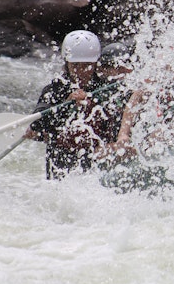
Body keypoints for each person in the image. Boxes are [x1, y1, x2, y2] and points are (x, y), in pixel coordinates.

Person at [28, 31, 134, 179]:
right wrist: (68, 103)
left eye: (87, 66)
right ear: (66, 63)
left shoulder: (108, 88)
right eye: (75, 65)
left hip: (99, 164)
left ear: (96, 64)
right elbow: (37, 125)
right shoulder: (55, 89)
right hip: (61, 164)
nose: (80, 71)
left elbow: (123, 116)